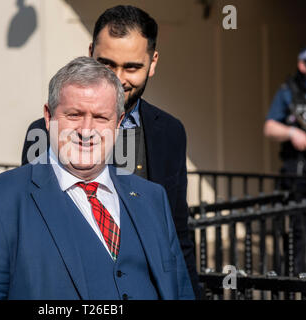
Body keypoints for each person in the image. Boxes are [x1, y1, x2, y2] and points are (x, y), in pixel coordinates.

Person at [0, 57, 195, 300]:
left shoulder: (152, 199)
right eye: (74, 115)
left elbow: (181, 291)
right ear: (48, 117)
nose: (86, 131)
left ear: (118, 123)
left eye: (101, 117)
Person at [21, 5, 200, 297]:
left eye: (132, 67)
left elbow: (178, 235)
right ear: (90, 53)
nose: (118, 78)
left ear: (152, 63)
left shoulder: (170, 132)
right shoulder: (44, 132)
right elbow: (37, 231)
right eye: (107, 64)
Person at [264, 47, 306, 274]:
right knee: (299, 230)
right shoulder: (288, 91)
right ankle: (297, 279)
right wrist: (292, 133)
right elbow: (270, 127)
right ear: (302, 65)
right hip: (297, 172)